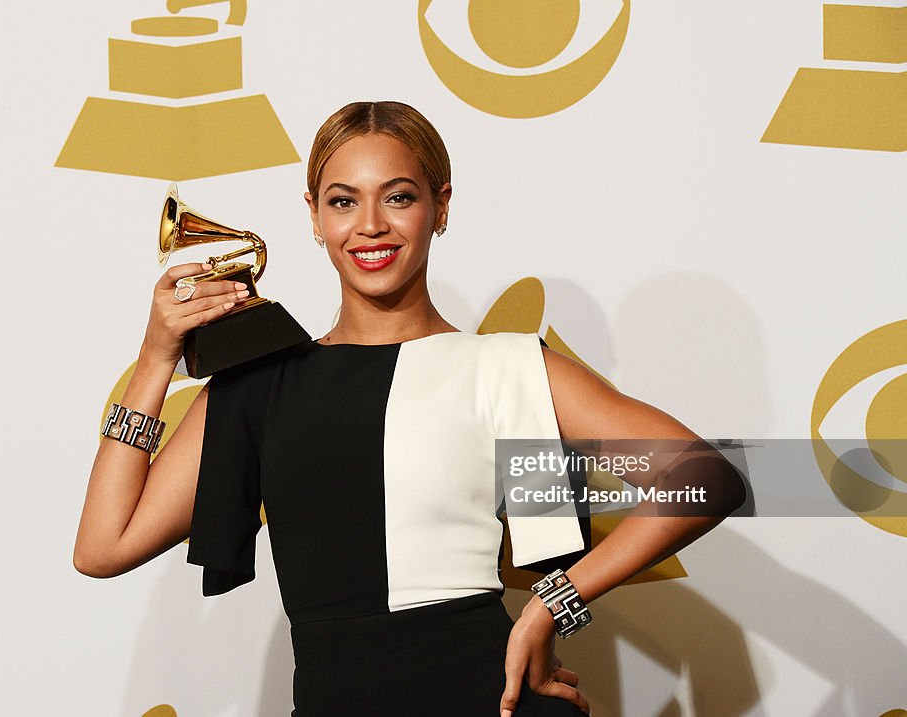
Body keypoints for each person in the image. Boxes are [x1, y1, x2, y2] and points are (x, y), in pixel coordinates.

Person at [73, 101, 747, 716]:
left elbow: (706, 478)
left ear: (441, 205)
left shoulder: (503, 366)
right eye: (343, 201)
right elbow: (103, 546)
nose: (370, 225)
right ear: (313, 215)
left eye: (398, 197)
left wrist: (552, 600)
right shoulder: (259, 386)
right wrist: (156, 358)